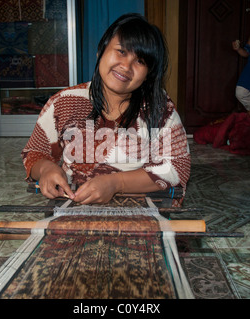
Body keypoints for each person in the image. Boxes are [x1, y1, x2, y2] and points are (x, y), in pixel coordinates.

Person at [21, 13, 191, 206]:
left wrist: (116, 183)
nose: (126, 66)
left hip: (142, 210)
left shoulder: (159, 108)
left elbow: (178, 166)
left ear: (148, 74)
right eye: (121, 52)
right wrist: (45, 169)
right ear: (101, 50)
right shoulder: (65, 102)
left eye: (140, 61)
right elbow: (35, 152)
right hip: (75, 207)